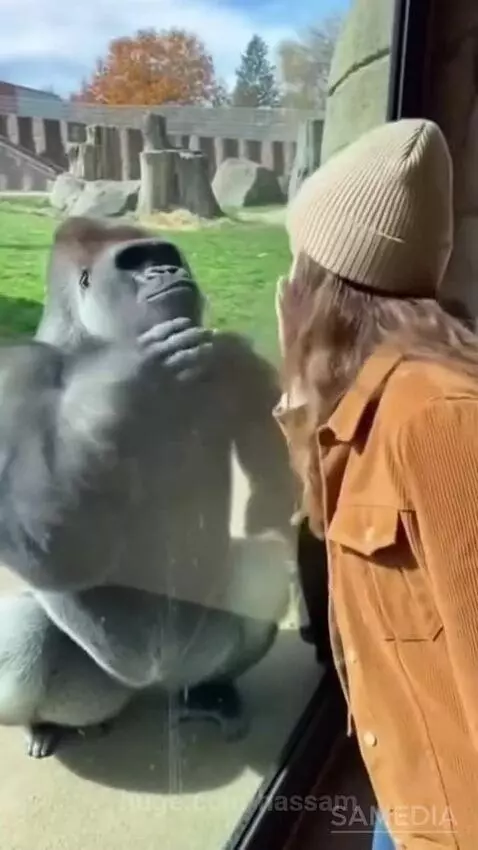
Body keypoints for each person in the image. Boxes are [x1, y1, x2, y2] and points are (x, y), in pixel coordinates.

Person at [273, 117, 478, 850]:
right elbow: (334, 523)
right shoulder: (376, 391)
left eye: (299, 261)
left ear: (323, 283)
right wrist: (301, 389)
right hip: (406, 782)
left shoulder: (443, 420)